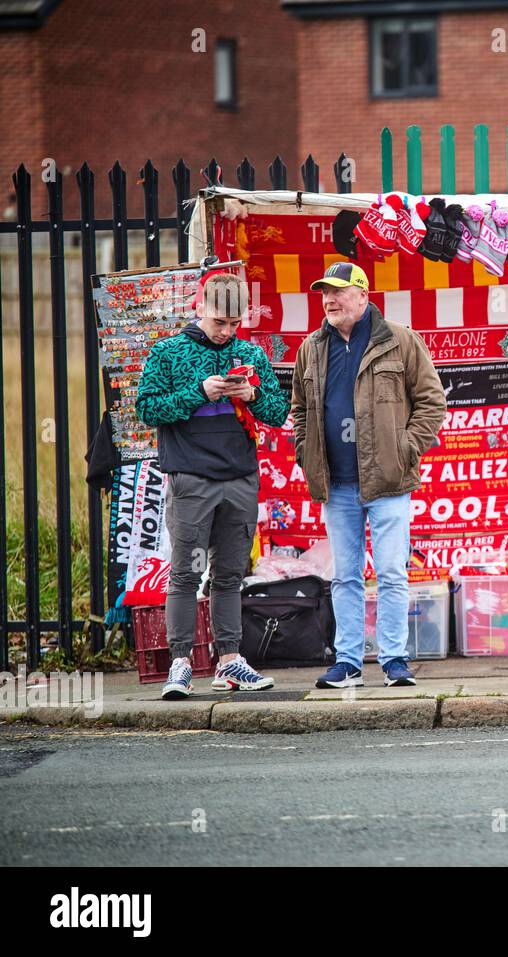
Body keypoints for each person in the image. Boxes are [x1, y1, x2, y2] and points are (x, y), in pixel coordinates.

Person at [291, 262, 447, 689]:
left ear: (362, 296)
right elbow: (301, 410)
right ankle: (348, 662)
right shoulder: (312, 347)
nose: (330, 299)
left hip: (388, 481)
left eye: (339, 291)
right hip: (336, 483)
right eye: (325, 292)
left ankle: (395, 660)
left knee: (393, 572)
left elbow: (432, 403)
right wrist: (307, 453)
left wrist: (405, 448)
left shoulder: (399, 340)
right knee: (344, 576)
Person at [136, 270, 290, 700]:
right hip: (191, 477)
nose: (227, 332)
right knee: (186, 572)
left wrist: (252, 396)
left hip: (239, 477)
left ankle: (229, 660)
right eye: (219, 321)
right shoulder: (168, 351)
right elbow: (148, 409)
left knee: (229, 575)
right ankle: (181, 663)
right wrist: (200, 391)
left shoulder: (250, 353)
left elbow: (278, 413)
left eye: (235, 323)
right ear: (199, 306)